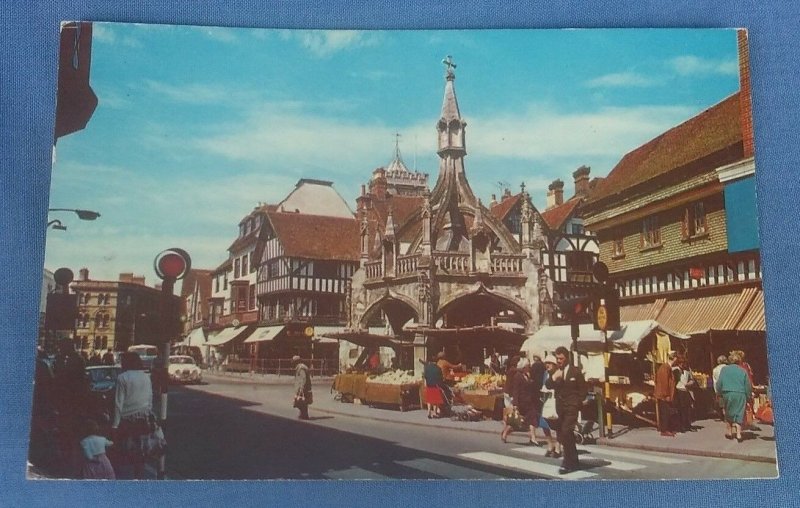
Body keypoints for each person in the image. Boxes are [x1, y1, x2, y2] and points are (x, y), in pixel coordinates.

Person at [112, 351, 154, 479]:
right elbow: (150, 399)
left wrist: (115, 425)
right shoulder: (146, 377)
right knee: (140, 455)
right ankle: (138, 480)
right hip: (143, 419)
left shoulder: (123, 377)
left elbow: (118, 403)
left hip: (127, 420)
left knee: (122, 454)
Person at [545, 346, 585, 474]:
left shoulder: (575, 371)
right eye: (557, 359)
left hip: (571, 407)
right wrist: (553, 378)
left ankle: (567, 463)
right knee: (564, 435)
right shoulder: (556, 372)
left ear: (567, 358)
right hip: (560, 408)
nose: (559, 361)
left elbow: (583, 390)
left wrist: (577, 403)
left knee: (566, 431)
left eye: (561, 358)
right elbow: (547, 385)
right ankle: (574, 461)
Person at [716, 351, 753, 442]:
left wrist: (719, 393)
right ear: (739, 361)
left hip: (727, 392)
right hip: (740, 393)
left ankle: (729, 431)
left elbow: (719, 383)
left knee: (729, 412)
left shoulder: (724, 370)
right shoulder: (742, 371)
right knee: (739, 412)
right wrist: (748, 396)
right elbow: (747, 385)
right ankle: (739, 434)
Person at [511, 357, 546, 446]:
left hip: (529, 401)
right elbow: (515, 391)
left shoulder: (526, 375)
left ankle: (533, 438)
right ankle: (506, 432)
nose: (529, 367)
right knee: (518, 422)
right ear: (524, 367)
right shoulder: (517, 376)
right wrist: (515, 404)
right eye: (528, 365)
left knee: (532, 418)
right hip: (521, 402)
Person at [541, 355, 562, 458]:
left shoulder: (558, 374)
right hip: (546, 401)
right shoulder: (545, 374)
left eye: (549, 363)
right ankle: (550, 444)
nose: (547, 365)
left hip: (556, 401)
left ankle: (558, 447)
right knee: (544, 423)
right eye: (546, 363)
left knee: (558, 425)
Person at [654, 351, 678, 437]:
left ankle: (667, 429)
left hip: (665, 395)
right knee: (665, 412)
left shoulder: (666, 367)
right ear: (674, 358)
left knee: (667, 412)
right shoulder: (665, 368)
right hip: (664, 395)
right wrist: (666, 395)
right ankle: (664, 430)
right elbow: (664, 382)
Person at [500, 355, 521, 443]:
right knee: (513, 416)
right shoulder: (515, 371)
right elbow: (515, 385)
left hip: (507, 393)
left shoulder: (510, 370)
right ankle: (505, 432)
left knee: (509, 413)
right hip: (511, 394)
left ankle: (505, 427)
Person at [673, 356, 696, 432]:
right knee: (681, 409)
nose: (682, 364)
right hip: (679, 390)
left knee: (687, 409)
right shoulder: (675, 370)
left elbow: (692, 380)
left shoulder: (687, 370)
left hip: (686, 391)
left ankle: (687, 424)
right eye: (680, 363)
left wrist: (690, 383)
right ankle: (681, 425)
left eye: (683, 363)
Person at [292, 355, 313, 420]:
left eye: (294, 362)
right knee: (303, 401)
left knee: (302, 401)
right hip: (304, 387)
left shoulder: (301, 368)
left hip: (303, 388)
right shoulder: (301, 367)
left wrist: (301, 388)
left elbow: (303, 379)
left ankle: (304, 415)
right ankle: (303, 414)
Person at [712, 355, 728, 420]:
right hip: (727, 386)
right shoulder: (728, 367)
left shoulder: (715, 369)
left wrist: (716, 390)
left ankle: (723, 415)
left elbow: (715, 381)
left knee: (721, 402)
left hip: (720, 387)